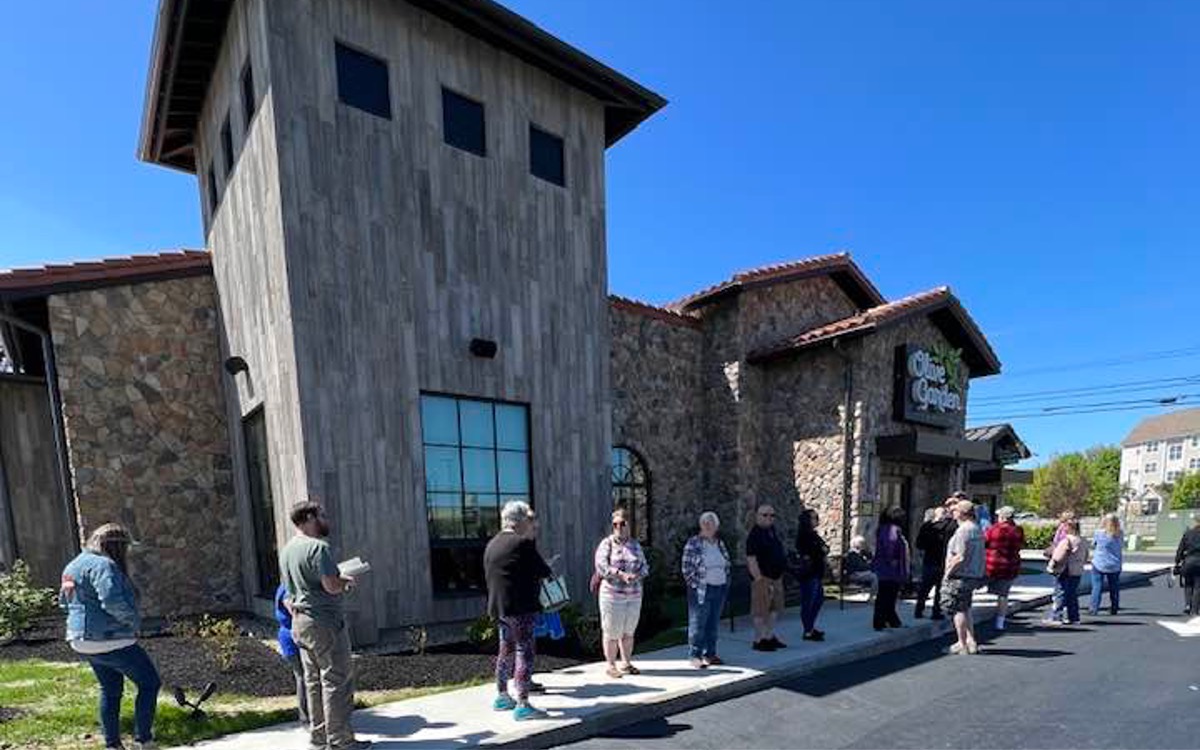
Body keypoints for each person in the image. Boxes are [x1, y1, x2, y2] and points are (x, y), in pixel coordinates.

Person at [59, 523, 162, 750]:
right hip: (110, 638)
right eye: (125, 549)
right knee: (150, 683)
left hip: (81, 640)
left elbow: (64, 601)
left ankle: (112, 745)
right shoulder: (105, 565)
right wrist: (133, 623)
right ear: (117, 547)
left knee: (110, 690)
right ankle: (143, 741)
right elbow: (112, 600)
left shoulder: (73, 565)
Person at [279, 500, 368, 750]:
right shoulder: (318, 548)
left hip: (301, 624)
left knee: (314, 682)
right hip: (324, 623)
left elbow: (288, 592)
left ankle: (319, 738)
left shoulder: (287, 550)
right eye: (322, 515)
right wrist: (346, 582)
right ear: (309, 518)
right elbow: (331, 586)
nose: (326, 520)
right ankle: (341, 741)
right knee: (336, 680)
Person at [485, 500, 553, 720]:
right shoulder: (522, 544)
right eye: (528, 520)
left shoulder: (492, 544)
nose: (531, 524)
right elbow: (544, 570)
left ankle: (502, 696)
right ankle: (523, 703)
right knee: (525, 651)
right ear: (520, 520)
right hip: (521, 608)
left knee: (505, 651)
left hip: (500, 608)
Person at [594, 508, 649, 678]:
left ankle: (626, 662)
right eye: (615, 524)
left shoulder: (635, 545)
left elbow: (645, 566)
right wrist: (621, 575)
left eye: (622, 523)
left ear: (629, 525)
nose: (618, 527)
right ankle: (611, 665)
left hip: (633, 595)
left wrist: (638, 575)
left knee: (628, 631)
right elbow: (601, 566)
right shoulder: (607, 544)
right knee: (611, 631)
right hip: (612, 595)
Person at [681, 511, 732, 668]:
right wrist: (695, 585)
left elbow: (727, 562)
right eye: (705, 523)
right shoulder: (694, 543)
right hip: (702, 589)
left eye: (711, 523)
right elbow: (686, 568)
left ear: (716, 526)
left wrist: (725, 578)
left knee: (713, 623)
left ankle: (710, 654)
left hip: (719, 588)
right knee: (698, 623)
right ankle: (695, 655)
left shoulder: (719, 543)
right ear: (701, 525)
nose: (708, 526)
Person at [942, 500, 986, 655]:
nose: (952, 513)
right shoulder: (977, 529)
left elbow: (960, 556)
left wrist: (948, 572)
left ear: (962, 513)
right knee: (966, 608)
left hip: (961, 575)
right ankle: (971, 641)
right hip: (973, 574)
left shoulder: (963, 531)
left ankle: (962, 643)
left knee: (958, 610)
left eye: (955, 510)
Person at [746, 504, 788, 651]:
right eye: (765, 515)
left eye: (772, 515)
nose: (769, 518)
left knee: (774, 609)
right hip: (763, 577)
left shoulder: (772, 531)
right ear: (757, 516)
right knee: (761, 610)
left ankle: (769, 636)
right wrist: (759, 579)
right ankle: (759, 639)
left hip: (776, 577)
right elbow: (751, 559)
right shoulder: (755, 534)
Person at [984, 506, 1025, 631]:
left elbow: (985, 542)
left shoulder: (993, 529)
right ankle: (1000, 622)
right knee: (1003, 595)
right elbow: (1021, 545)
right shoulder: (1018, 530)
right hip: (1010, 566)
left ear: (1002, 517)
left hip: (992, 564)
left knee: (975, 586)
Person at [274, 583, 308, 726]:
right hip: (291, 638)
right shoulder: (287, 588)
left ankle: (311, 713)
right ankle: (305, 715)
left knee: (305, 676)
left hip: (293, 636)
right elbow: (292, 609)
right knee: (302, 676)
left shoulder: (287, 586)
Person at [871, 506, 910, 631]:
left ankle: (891, 620)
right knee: (887, 595)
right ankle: (881, 621)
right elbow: (890, 545)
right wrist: (892, 560)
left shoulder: (883, 528)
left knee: (887, 595)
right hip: (890, 569)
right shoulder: (892, 529)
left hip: (884, 567)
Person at [794, 509, 829, 641]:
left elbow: (824, 548)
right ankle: (808, 630)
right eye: (814, 518)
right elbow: (814, 551)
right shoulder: (804, 535)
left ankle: (810, 627)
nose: (816, 520)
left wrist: (822, 549)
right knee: (808, 602)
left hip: (816, 572)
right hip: (809, 573)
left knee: (818, 600)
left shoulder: (814, 535)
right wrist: (821, 550)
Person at [914, 506, 956, 620]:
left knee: (925, 587)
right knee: (940, 589)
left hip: (929, 560)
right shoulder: (951, 527)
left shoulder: (927, 526)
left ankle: (919, 609)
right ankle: (936, 611)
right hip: (943, 561)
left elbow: (919, 544)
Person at [1044, 519, 1087, 625]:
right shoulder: (1082, 540)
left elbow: (1058, 556)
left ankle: (1056, 616)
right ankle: (1074, 617)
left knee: (1060, 593)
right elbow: (1086, 555)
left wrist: (1052, 564)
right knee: (1072, 594)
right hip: (1077, 571)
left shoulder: (1066, 541)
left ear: (1069, 528)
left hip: (1065, 570)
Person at [1089, 514, 1124, 616]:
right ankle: (1114, 607)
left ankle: (1094, 608)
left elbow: (1094, 544)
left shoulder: (1099, 533)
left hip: (1099, 562)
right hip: (1115, 563)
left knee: (1097, 586)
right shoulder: (1119, 533)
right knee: (1114, 587)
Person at [1045, 510, 1077, 618]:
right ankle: (1072, 615)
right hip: (1070, 564)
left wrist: (1053, 562)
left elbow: (1060, 548)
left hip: (1062, 564)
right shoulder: (1073, 532)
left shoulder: (1062, 531)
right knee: (1069, 590)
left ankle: (1056, 615)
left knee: (1060, 590)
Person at [1174, 514, 1200, 617]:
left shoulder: (1188, 533)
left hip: (1188, 562)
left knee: (1188, 584)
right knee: (1198, 586)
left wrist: (1177, 562)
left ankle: (1188, 604)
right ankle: (1195, 609)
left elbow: (1180, 549)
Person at [843, 535, 877, 600]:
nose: (863, 545)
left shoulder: (861, 553)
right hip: (855, 574)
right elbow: (860, 566)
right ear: (856, 544)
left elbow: (870, 558)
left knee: (879, 574)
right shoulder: (852, 554)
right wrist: (869, 565)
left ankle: (876, 594)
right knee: (875, 577)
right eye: (862, 543)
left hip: (861, 572)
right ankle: (872, 597)